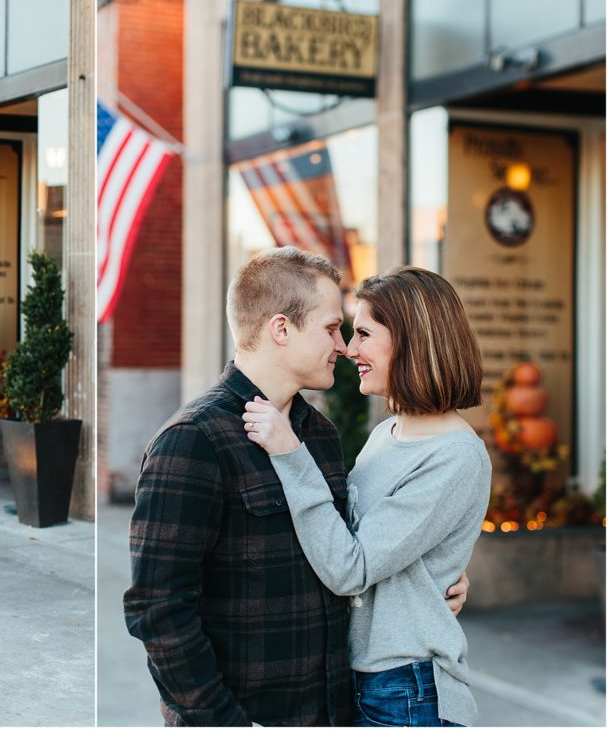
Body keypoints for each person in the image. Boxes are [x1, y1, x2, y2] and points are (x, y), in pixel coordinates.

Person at [124, 247, 468, 727]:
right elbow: (157, 608)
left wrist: (427, 584)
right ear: (281, 329)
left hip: (337, 711)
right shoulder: (193, 440)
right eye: (331, 328)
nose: (344, 346)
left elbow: (346, 550)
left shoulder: (320, 436)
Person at [242, 265, 491, 727]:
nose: (349, 349)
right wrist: (426, 585)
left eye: (364, 333)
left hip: (406, 690)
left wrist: (290, 454)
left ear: (411, 340)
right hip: (363, 676)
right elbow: (360, 538)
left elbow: (350, 568)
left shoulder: (455, 457)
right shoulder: (387, 434)